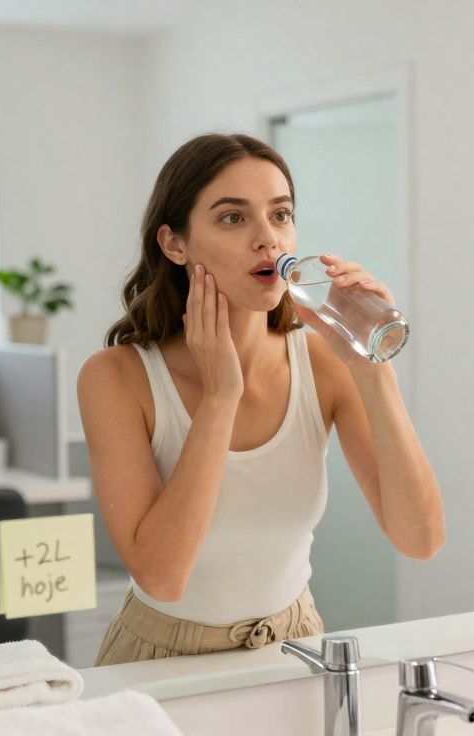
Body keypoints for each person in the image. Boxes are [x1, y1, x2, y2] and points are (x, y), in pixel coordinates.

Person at [78, 133, 444, 666]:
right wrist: (220, 396)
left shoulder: (323, 364)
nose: (268, 239)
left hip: (295, 648)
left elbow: (421, 540)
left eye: (280, 215)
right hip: (158, 657)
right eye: (233, 217)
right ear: (175, 244)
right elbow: (162, 577)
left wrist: (372, 370)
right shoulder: (116, 378)